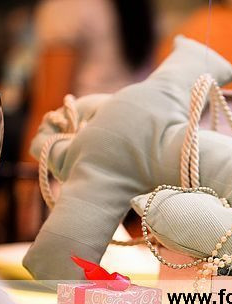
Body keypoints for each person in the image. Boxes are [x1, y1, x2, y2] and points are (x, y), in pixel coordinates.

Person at [18, 0, 156, 241]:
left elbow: (49, 106)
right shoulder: (140, 8)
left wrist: (25, 192)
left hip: (83, 165)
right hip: (140, 162)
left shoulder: (66, 8)